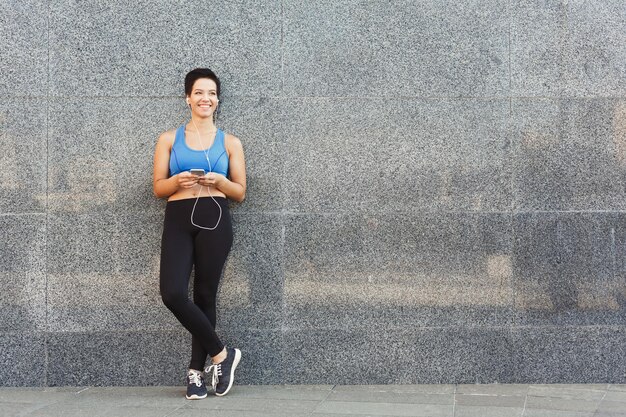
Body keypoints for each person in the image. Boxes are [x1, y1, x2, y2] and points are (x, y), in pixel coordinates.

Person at [153, 68, 246, 399]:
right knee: (172, 293)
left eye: (211, 93)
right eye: (199, 93)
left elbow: (240, 192)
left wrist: (218, 181)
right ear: (188, 98)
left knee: (205, 296)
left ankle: (195, 375)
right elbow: (158, 188)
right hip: (178, 217)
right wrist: (177, 181)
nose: (205, 98)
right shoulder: (168, 139)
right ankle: (222, 353)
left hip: (215, 216)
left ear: (217, 100)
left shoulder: (230, 142)